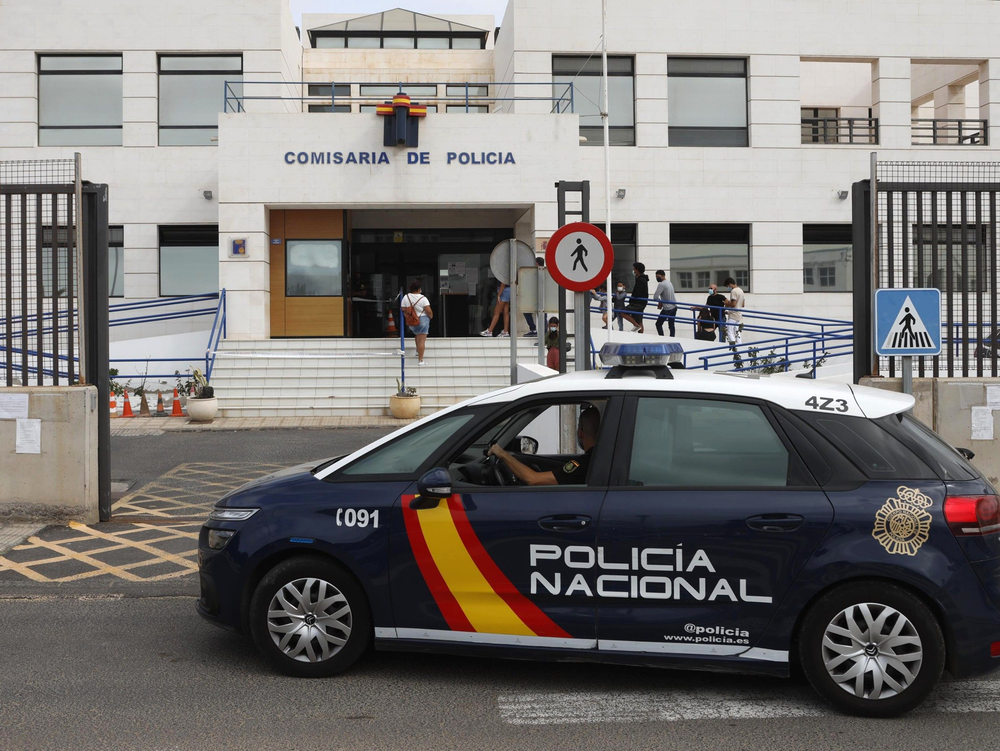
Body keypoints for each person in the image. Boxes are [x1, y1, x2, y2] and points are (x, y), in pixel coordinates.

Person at [488, 406, 600, 486]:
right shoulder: (600, 460)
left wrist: (502, 454)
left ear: (580, 432)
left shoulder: (585, 464)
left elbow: (533, 480)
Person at [402, 281, 432, 366]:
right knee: (421, 341)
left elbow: (403, 309)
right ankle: (421, 360)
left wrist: (407, 315)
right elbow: (428, 311)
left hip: (412, 321)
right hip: (422, 320)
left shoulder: (406, 297)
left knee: (417, 334)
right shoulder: (423, 298)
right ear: (419, 289)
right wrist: (431, 316)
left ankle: (417, 351)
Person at [621, 262, 649, 333]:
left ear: (637, 270)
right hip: (642, 303)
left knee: (622, 312)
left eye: (634, 269)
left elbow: (637, 292)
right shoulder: (643, 279)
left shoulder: (640, 280)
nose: (633, 270)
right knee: (639, 320)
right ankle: (641, 334)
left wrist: (632, 299)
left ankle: (636, 325)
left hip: (637, 303)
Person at [652, 269, 677, 337]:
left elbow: (655, 297)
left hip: (667, 308)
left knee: (658, 324)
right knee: (671, 324)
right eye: (656, 276)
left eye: (658, 276)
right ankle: (672, 338)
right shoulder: (669, 282)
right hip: (674, 306)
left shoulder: (662, 284)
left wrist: (660, 302)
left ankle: (662, 337)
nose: (657, 278)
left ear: (663, 276)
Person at [523, 257, 543, 337]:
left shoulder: (539, 272)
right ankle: (534, 329)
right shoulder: (537, 272)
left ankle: (542, 332)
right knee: (527, 312)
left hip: (538, 297)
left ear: (537, 263)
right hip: (534, 297)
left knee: (542, 314)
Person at [723, 276, 746, 345]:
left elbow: (733, 304)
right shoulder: (741, 291)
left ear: (730, 284)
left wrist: (726, 303)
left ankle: (733, 344)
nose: (728, 288)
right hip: (739, 314)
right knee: (737, 331)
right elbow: (743, 304)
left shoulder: (734, 291)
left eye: (728, 286)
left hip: (733, 314)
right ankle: (739, 344)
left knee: (729, 330)